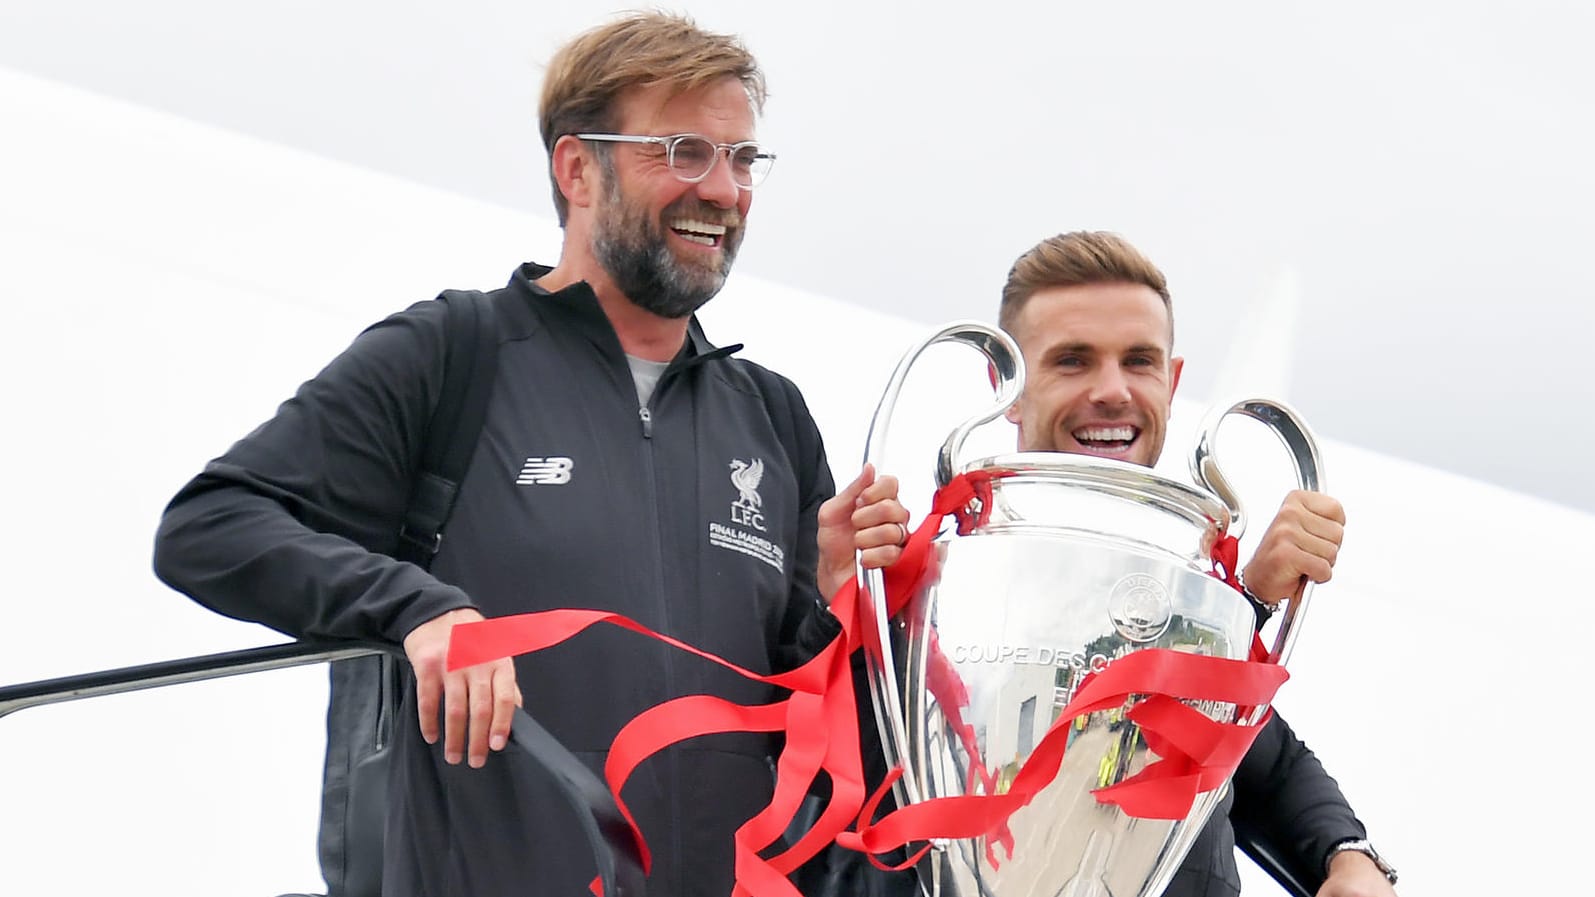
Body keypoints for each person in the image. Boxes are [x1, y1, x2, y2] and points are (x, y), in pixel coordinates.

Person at [152, 12, 908, 897]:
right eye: (683, 151)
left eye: (743, 160)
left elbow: (794, 718)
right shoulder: (451, 352)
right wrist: (419, 609)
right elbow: (209, 526)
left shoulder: (772, 417)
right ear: (577, 167)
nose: (724, 190)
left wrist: (825, 602)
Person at [997, 230, 1398, 897]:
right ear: (1005, 380)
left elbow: (1264, 760)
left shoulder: (1179, 586)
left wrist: (1348, 855)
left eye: (1138, 361)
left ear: (1172, 379)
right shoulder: (938, 586)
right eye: (1072, 360)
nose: (1111, 391)